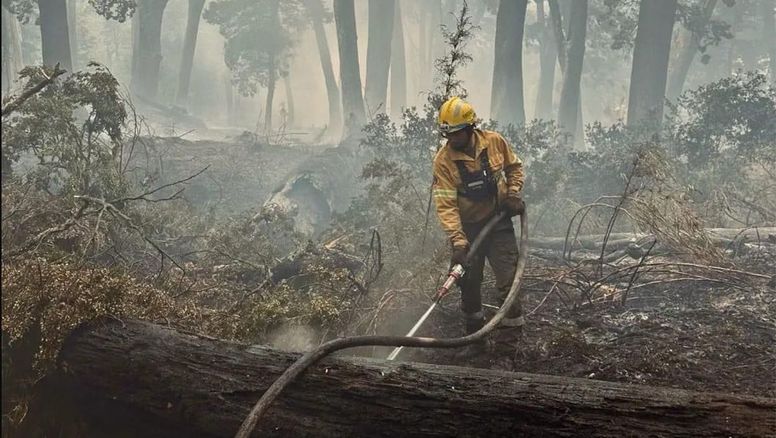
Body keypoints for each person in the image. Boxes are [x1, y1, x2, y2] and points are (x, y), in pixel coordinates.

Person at [431, 96, 526, 354]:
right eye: (447, 135)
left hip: (499, 224)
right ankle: (474, 341)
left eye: (457, 134)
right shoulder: (443, 161)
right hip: (469, 230)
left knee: (509, 283)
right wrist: (459, 243)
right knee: (469, 283)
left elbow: (515, 168)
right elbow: (446, 206)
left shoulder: (494, 142)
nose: (452, 140)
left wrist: (514, 194)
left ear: (470, 128)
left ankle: (508, 348)